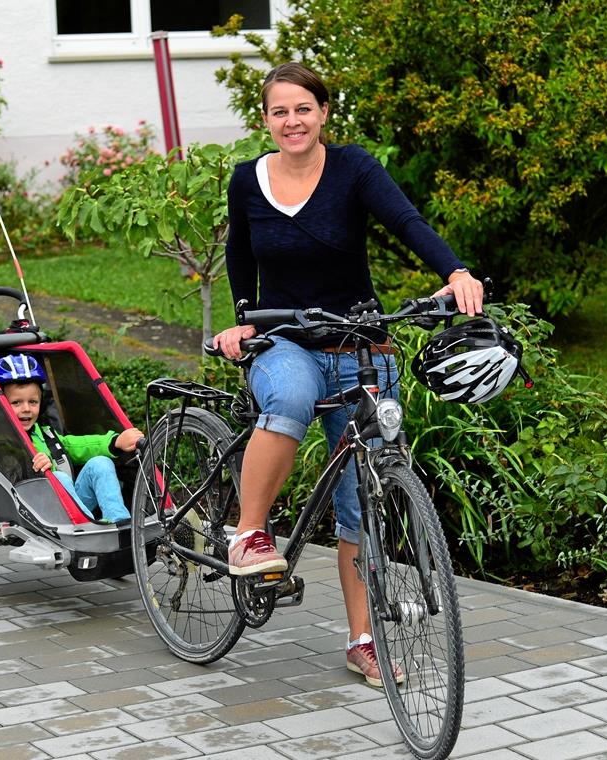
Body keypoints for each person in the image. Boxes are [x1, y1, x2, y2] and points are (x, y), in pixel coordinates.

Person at [212, 62, 484, 687]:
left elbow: (408, 223)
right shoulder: (246, 181)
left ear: (324, 112)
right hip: (284, 338)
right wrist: (244, 319)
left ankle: (363, 639)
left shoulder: (355, 168)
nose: (293, 121)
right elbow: (239, 256)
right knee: (294, 394)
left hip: (360, 343)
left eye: (303, 108)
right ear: (266, 120)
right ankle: (250, 534)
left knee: (363, 501)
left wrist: (455, 271)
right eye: (280, 111)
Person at [0, 354, 143, 525]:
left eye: (33, 402)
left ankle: (119, 521)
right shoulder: (0, 442)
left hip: (71, 507)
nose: (26, 409)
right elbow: (7, 474)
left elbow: (77, 445)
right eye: (16, 403)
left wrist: (115, 442)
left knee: (100, 463)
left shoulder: (46, 434)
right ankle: (92, 528)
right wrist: (34, 468)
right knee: (59, 478)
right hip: (37, 512)